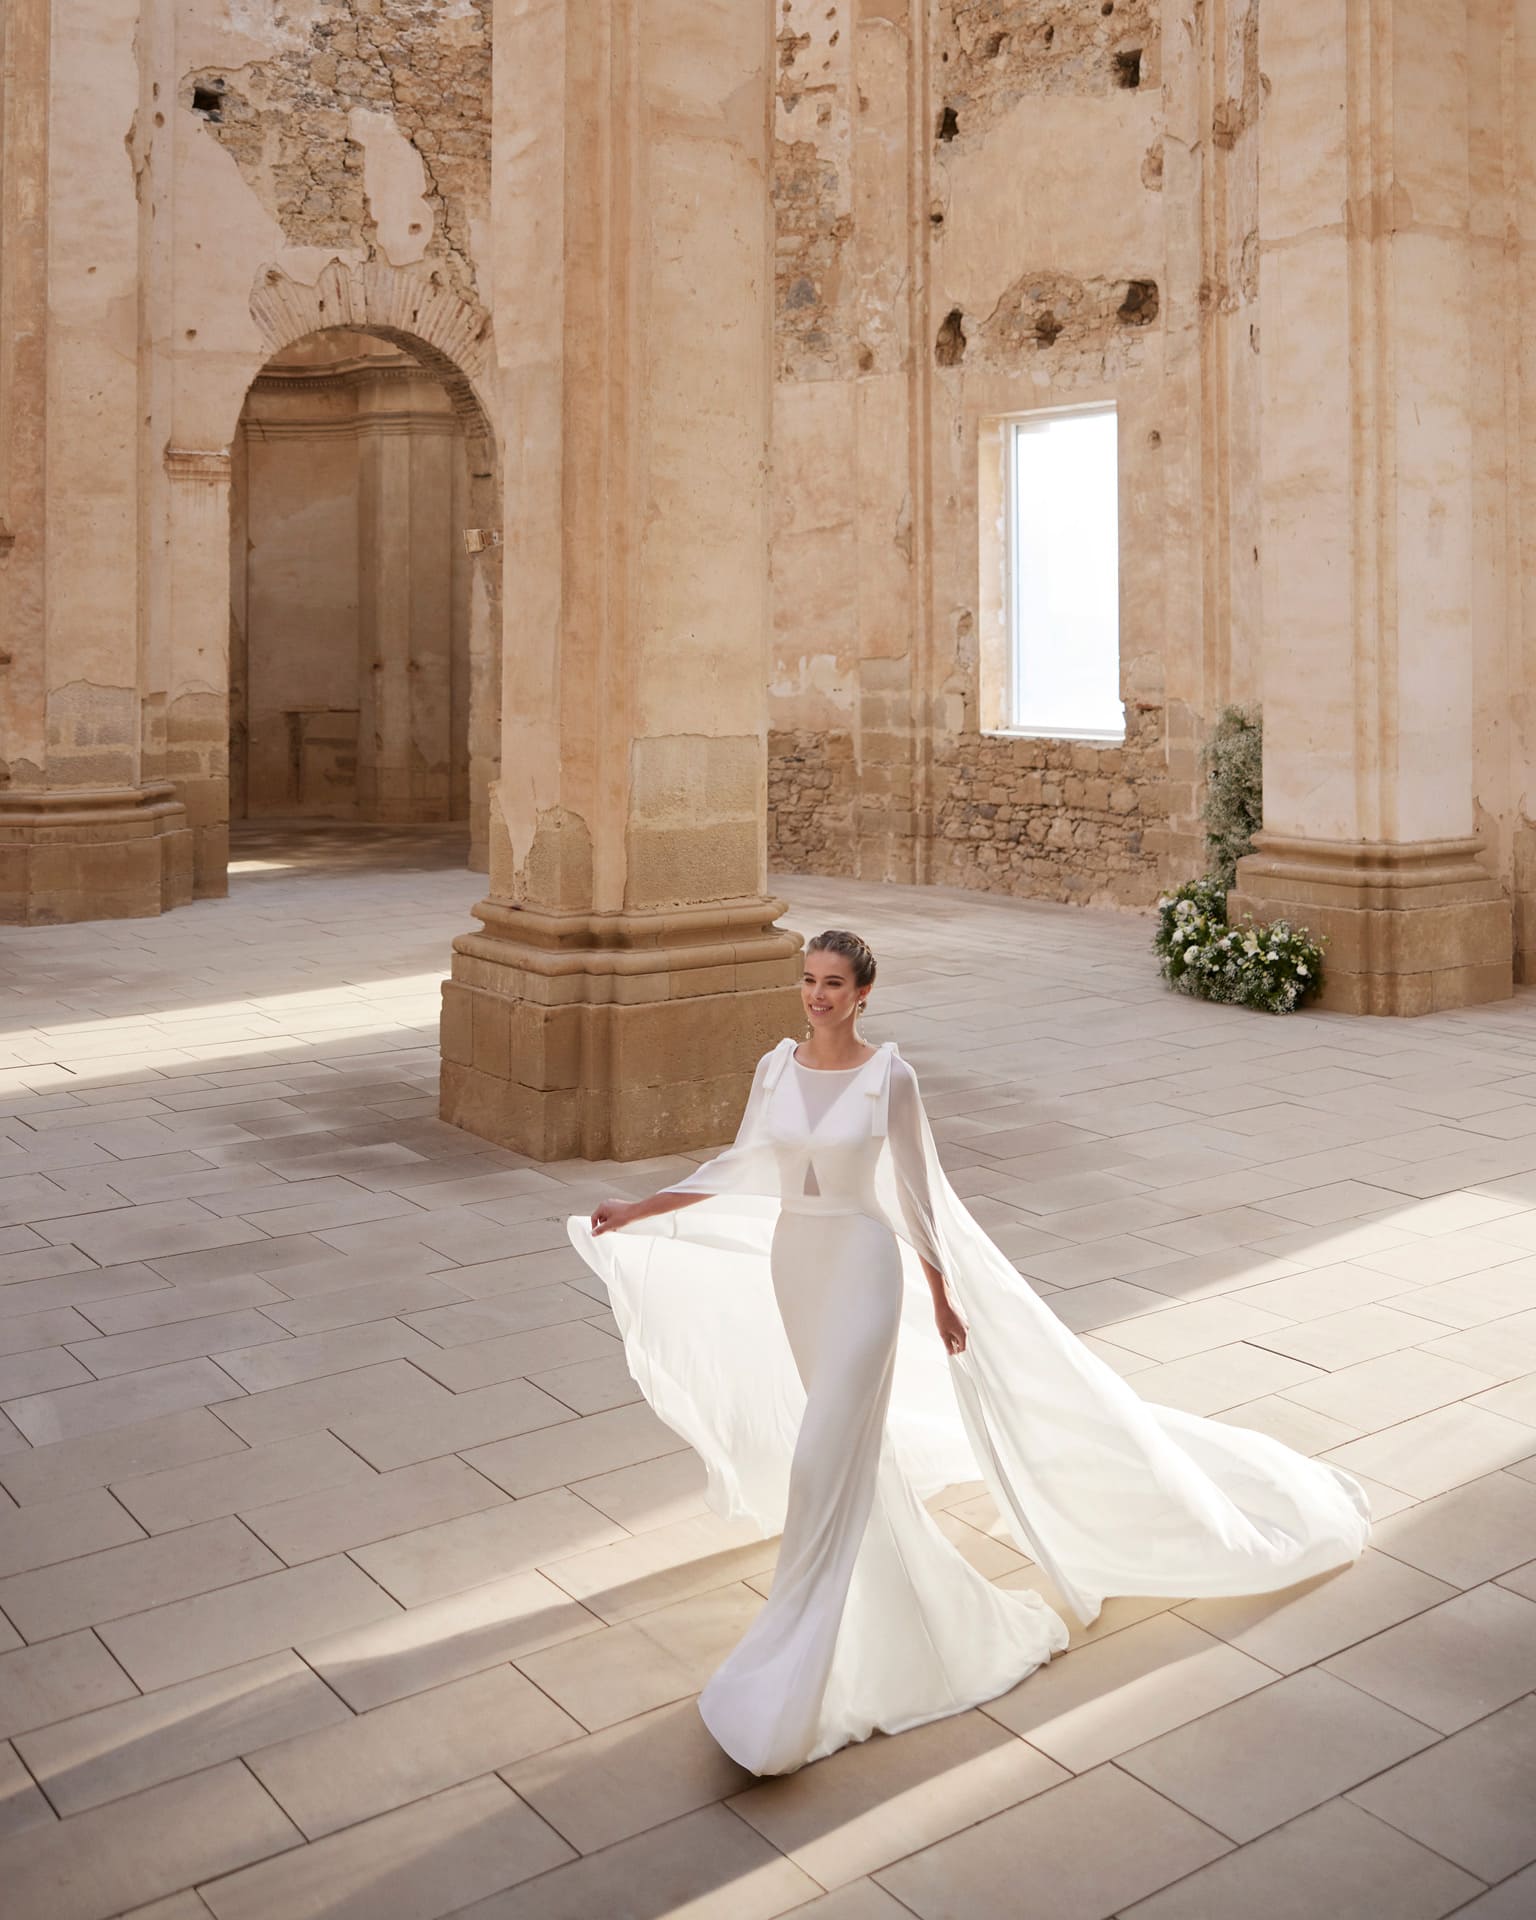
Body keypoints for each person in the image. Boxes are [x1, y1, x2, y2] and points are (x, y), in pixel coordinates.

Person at [568, 930, 1372, 1777]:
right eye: (808, 981)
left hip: (864, 1273)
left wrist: (944, 1300)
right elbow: (741, 1165)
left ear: (864, 992)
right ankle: (887, 1611)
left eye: (833, 984)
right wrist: (641, 1209)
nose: (816, 996)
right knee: (846, 1461)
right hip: (796, 1268)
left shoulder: (890, 1079)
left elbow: (919, 1202)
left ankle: (801, 1649)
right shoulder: (776, 1068)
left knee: (822, 1455)